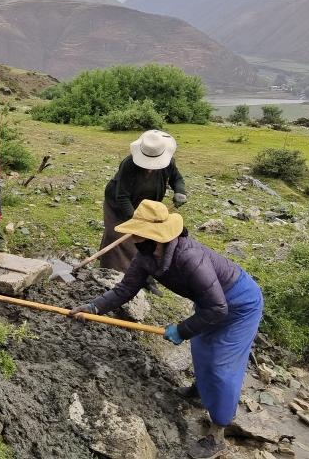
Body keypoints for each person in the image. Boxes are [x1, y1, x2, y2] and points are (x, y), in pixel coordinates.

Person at [69, 200, 263, 459]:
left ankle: (218, 434)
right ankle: (201, 391)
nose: (136, 240)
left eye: (140, 235)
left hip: (240, 304)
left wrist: (182, 330)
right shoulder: (146, 257)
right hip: (212, 302)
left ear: (157, 236)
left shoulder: (190, 258)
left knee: (221, 363)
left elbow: (218, 308)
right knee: (202, 344)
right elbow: (125, 290)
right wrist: (93, 307)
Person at [100, 130, 187, 293]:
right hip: (120, 204)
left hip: (147, 206)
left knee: (148, 240)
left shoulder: (169, 162)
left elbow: (177, 179)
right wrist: (135, 220)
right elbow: (122, 196)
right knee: (116, 237)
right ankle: (110, 274)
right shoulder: (129, 164)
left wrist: (180, 192)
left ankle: (146, 277)